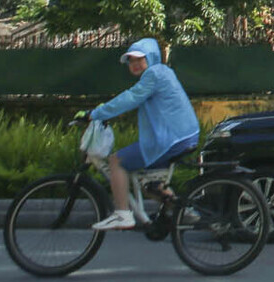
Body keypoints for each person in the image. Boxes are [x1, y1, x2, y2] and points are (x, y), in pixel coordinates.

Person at [86, 38, 200, 230]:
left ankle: (122, 214)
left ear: (152, 57)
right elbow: (138, 100)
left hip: (172, 139)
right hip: (183, 136)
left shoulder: (154, 74)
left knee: (116, 161)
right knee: (150, 186)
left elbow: (130, 98)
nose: (135, 64)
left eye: (140, 59)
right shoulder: (162, 73)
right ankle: (185, 212)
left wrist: (95, 113)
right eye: (131, 60)